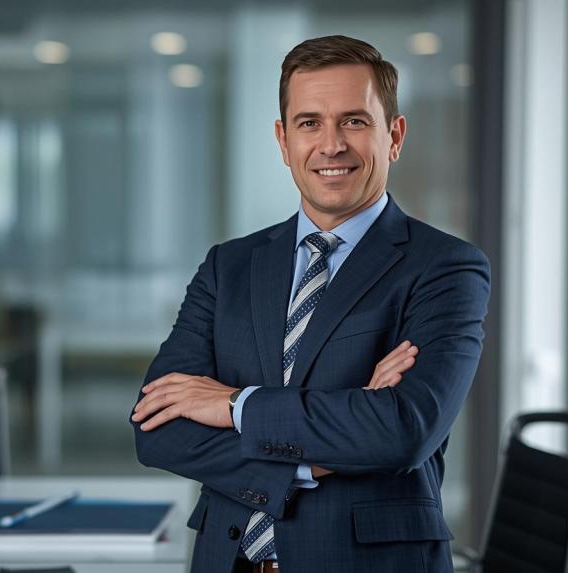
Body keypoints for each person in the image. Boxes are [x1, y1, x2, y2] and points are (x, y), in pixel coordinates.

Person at [130, 35, 490, 573]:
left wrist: (234, 406)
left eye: (354, 121)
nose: (330, 144)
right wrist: (319, 456)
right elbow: (156, 427)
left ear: (394, 136)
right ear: (282, 140)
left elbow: (402, 430)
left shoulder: (445, 268)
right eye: (308, 123)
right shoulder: (229, 267)